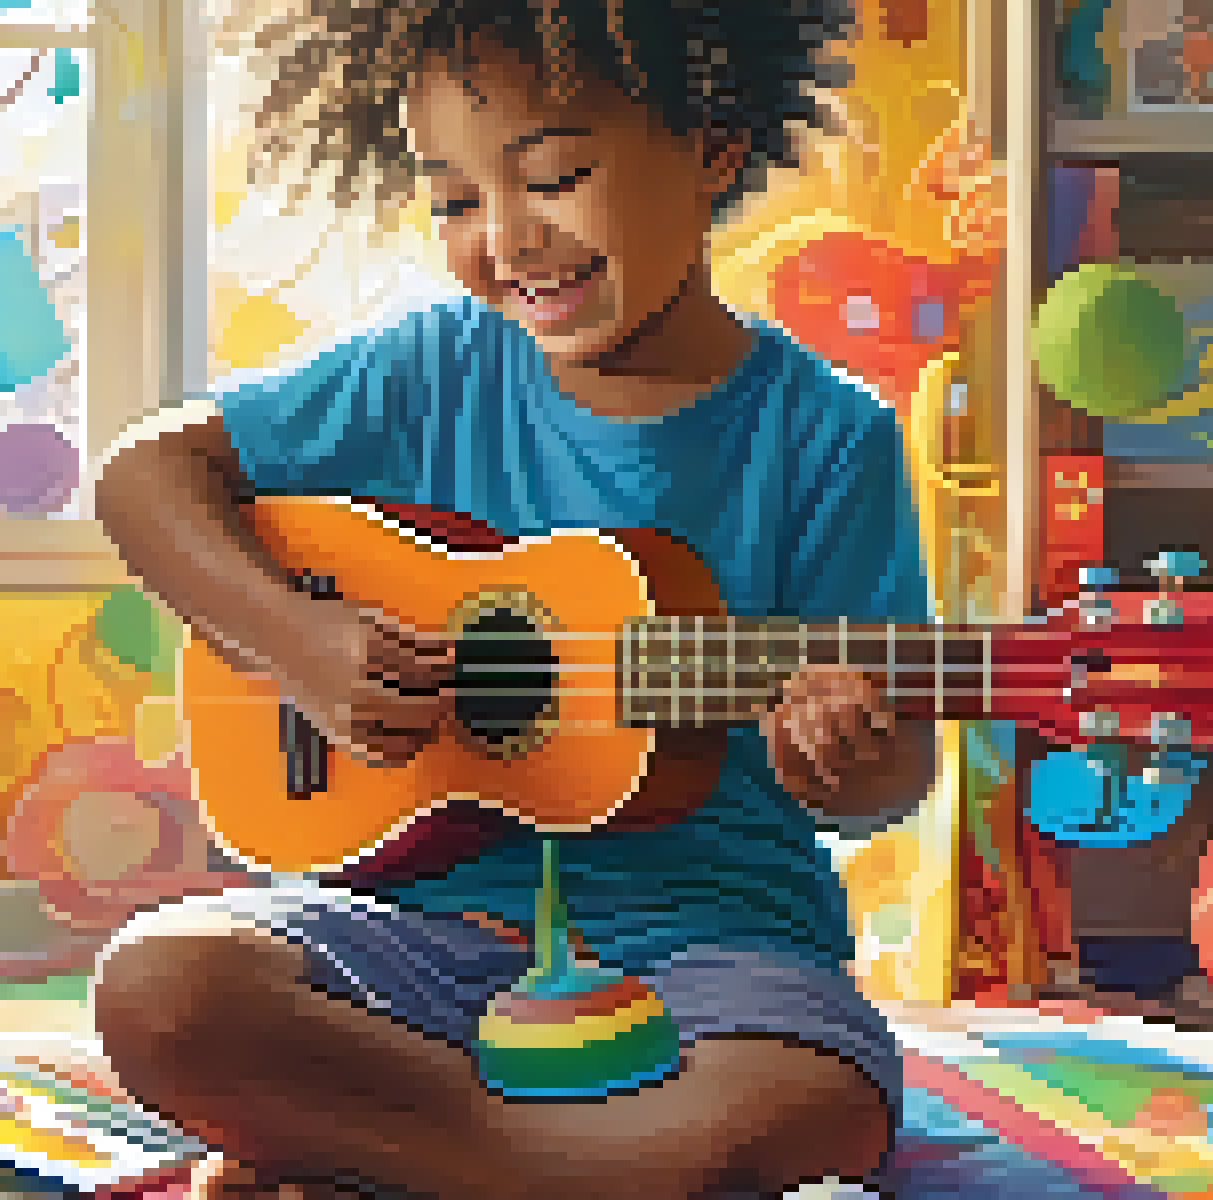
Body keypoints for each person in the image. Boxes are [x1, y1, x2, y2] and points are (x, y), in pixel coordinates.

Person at [88, 2, 937, 1196]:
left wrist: (849, 760)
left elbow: (893, 778)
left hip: (712, 949)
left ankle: (405, 1166)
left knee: (820, 1106)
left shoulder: (827, 433)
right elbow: (143, 476)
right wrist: (295, 641)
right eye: (454, 201)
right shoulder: (426, 371)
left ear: (711, 147)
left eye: (553, 176)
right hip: (417, 934)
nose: (506, 237)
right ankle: (585, 1177)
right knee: (162, 988)